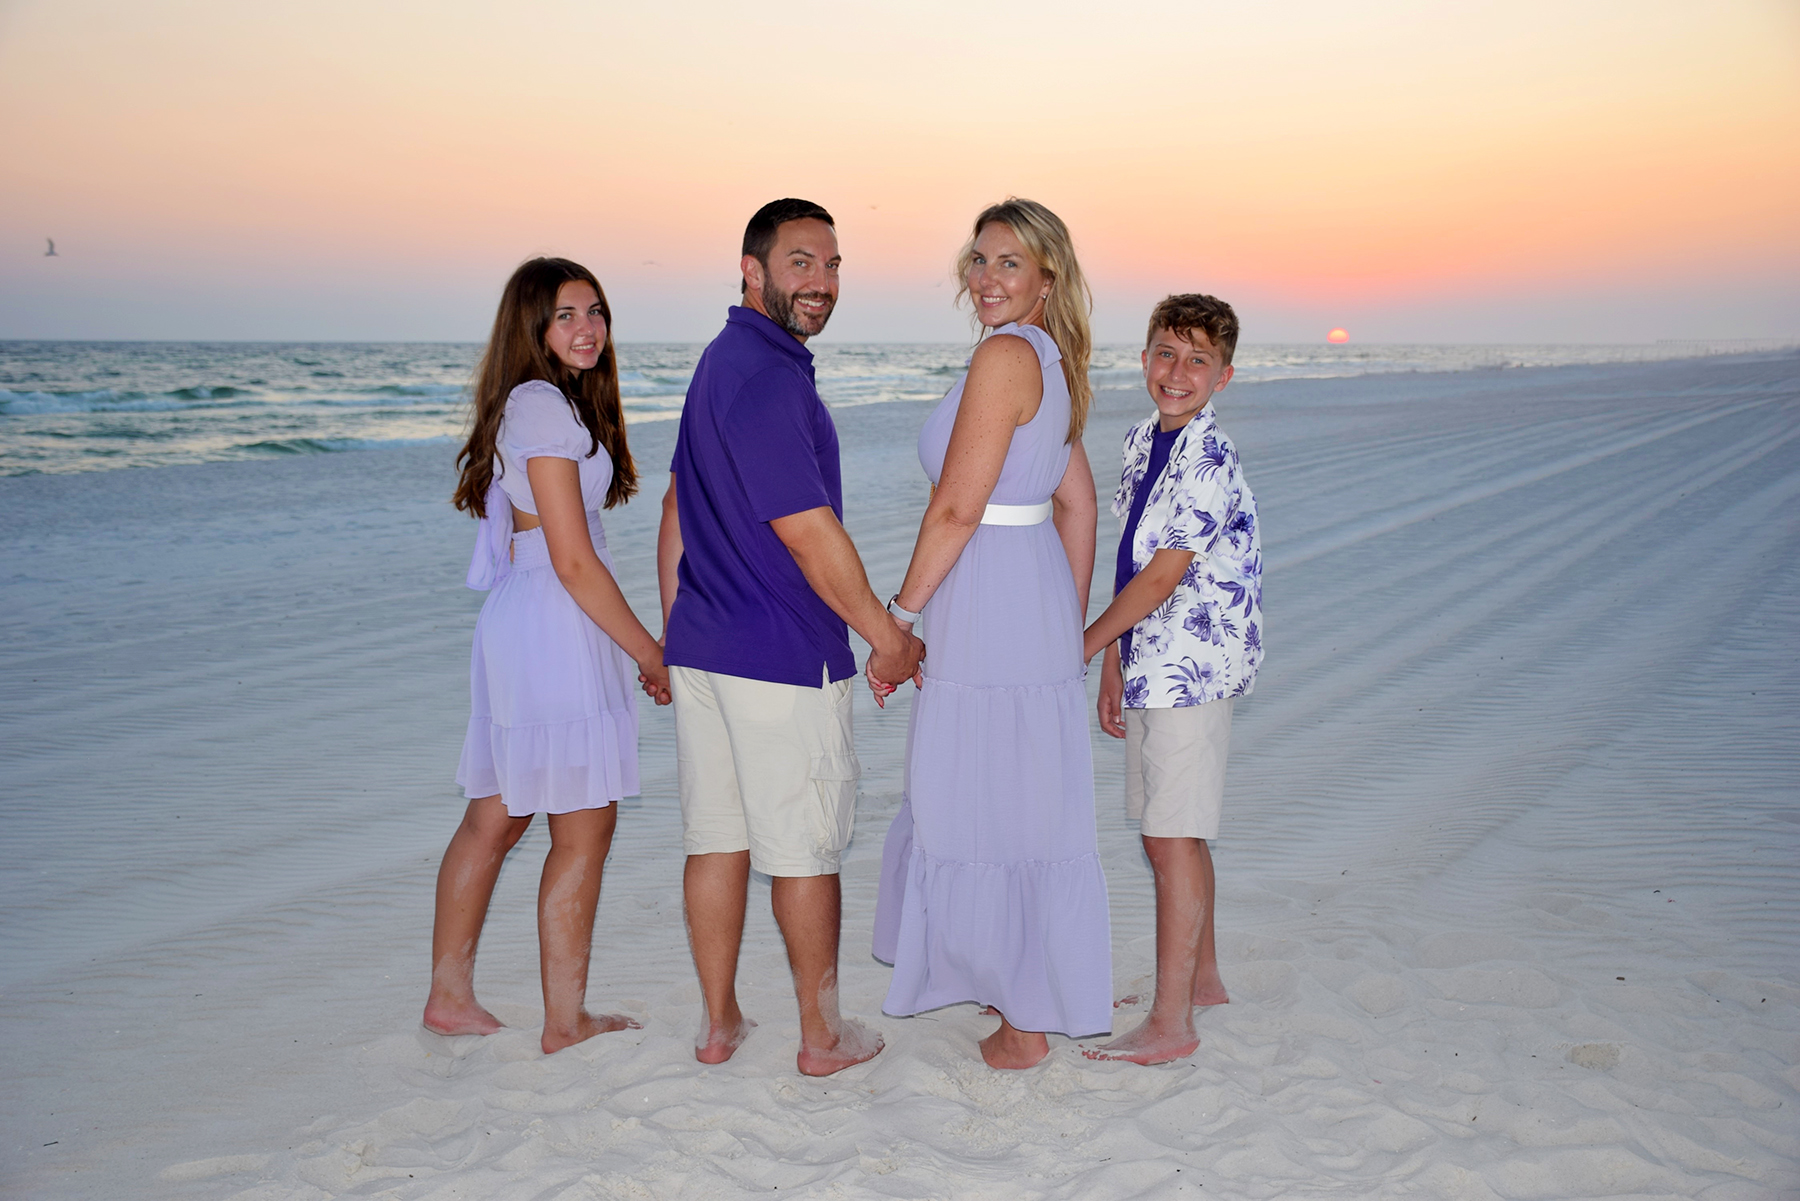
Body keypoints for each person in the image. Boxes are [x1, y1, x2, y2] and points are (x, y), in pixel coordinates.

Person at [657, 198, 926, 1077]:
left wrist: (679, 626)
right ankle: (821, 1036)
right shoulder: (770, 375)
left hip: (706, 647)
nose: (822, 282)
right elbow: (808, 529)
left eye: (834, 265)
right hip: (777, 656)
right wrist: (886, 637)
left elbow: (675, 509)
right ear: (752, 267)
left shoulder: (721, 361)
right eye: (802, 262)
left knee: (718, 840)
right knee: (805, 848)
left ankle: (718, 1025)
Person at [870, 198, 1111, 1070]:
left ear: (1047, 279)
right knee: (1020, 792)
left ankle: (1023, 1020)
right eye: (978, 260)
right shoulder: (1049, 357)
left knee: (977, 792)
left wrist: (897, 618)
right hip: (1029, 592)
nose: (986, 278)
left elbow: (958, 506)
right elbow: (1076, 502)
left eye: (1009, 263)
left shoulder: (1008, 355)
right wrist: (1063, 620)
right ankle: (1023, 997)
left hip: (990, 592)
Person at [425, 257, 672, 1056]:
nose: (587, 327)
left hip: (537, 620)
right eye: (565, 314)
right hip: (556, 621)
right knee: (581, 827)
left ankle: (450, 997)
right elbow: (573, 559)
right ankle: (563, 1022)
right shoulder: (540, 406)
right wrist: (648, 650)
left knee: (496, 812)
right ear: (530, 328)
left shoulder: (548, 403)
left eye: (595, 310)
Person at [1080, 293, 1263, 1065]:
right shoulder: (1139, 440)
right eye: (1165, 352)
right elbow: (1128, 554)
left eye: (1197, 360)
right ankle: (1204, 978)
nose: (1177, 371)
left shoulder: (1212, 460)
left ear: (1223, 375)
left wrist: (1082, 644)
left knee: (1170, 836)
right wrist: (1115, 662)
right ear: (1144, 357)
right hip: (1150, 661)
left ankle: (1171, 1020)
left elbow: (1162, 576)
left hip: (1194, 666)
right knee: (1172, 833)